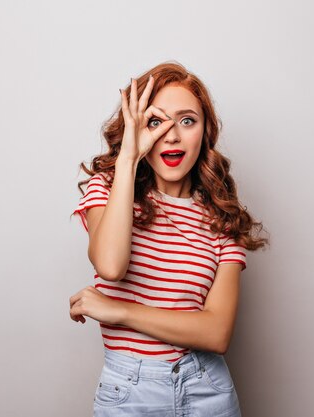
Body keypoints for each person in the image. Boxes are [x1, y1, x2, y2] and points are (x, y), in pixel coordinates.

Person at [69, 61, 268, 417]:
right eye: (156, 121)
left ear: (205, 131)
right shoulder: (110, 189)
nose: (172, 136)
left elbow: (216, 333)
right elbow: (111, 266)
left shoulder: (223, 217)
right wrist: (129, 158)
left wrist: (120, 311)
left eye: (187, 120)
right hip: (130, 394)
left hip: (208, 389)